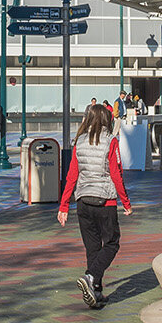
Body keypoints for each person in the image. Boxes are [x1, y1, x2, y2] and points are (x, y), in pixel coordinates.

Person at [58, 102, 132, 310]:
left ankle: (96, 291)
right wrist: (125, 202)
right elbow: (116, 173)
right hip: (105, 201)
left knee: (92, 248)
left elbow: (72, 175)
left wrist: (64, 205)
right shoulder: (111, 141)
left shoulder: (79, 141)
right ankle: (91, 277)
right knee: (111, 244)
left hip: (83, 201)